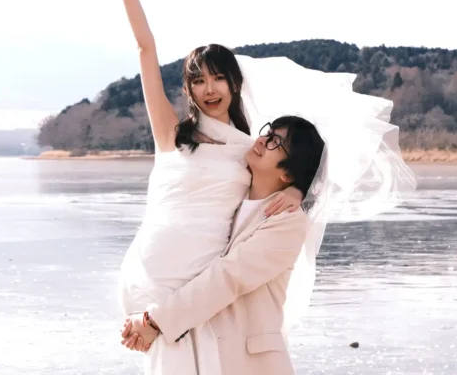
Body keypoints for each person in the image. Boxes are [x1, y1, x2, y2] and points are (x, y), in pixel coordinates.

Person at [91, 0, 304, 375]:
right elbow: (145, 47)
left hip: (193, 284)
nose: (210, 89)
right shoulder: (170, 135)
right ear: (188, 90)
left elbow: (285, 179)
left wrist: (299, 189)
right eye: (198, 80)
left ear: (234, 84)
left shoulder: (251, 152)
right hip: (148, 274)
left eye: (218, 78)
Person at [121, 115, 325, 375]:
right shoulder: (228, 200)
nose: (262, 140)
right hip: (203, 352)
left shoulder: (288, 221)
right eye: (267, 132)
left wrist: (155, 321)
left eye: (276, 142)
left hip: (251, 363)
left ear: (287, 173)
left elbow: (228, 277)